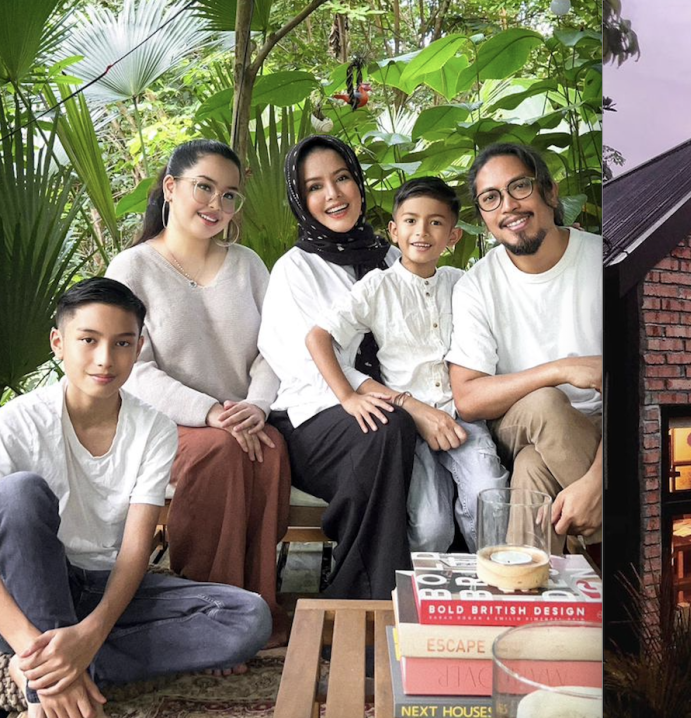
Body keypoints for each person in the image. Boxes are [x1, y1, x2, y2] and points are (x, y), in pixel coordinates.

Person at [0, 278, 270, 718]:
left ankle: (36, 668)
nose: (105, 359)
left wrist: (90, 634)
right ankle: (46, 680)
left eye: (122, 343)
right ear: (58, 343)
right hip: (28, 588)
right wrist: (30, 636)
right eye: (88, 340)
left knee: (246, 618)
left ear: (139, 346)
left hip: (105, 587)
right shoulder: (15, 422)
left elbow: (134, 552)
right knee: (20, 493)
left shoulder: (154, 429)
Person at [105, 139, 291, 646]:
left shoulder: (248, 263)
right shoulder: (132, 269)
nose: (217, 205)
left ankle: (258, 607)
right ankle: (208, 616)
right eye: (204, 188)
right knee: (219, 454)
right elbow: (133, 369)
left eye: (230, 195)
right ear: (171, 187)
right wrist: (209, 412)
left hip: (245, 418)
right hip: (166, 424)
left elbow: (274, 349)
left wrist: (255, 405)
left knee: (270, 452)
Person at [306, 177, 509, 552]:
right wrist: (347, 397)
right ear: (394, 231)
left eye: (435, 222)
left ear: (453, 236)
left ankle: (491, 594)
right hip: (411, 428)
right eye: (411, 221)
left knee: (491, 501)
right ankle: (426, 603)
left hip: (463, 418)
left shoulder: (461, 283)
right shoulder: (377, 287)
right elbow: (318, 337)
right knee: (431, 527)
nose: (422, 231)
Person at [259, 135, 419, 600]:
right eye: (314, 187)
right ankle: (368, 597)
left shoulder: (393, 260)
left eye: (342, 178)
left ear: (359, 183)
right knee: (387, 427)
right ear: (300, 199)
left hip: (390, 412)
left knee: (406, 428)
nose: (332, 194)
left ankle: (446, 593)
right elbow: (306, 364)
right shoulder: (295, 270)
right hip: (312, 417)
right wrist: (401, 402)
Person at [446, 143, 603, 553]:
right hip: (523, 419)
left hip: (603, 429)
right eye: (491, 198)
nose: (508, 206)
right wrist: (559, 369)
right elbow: (468, 397)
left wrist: (596, 482)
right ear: (483, 216)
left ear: (550, 193)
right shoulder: (477, 286)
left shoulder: (603, 261)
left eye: (520, 187)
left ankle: (527, 598)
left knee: (532, 471)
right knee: (547, 404)